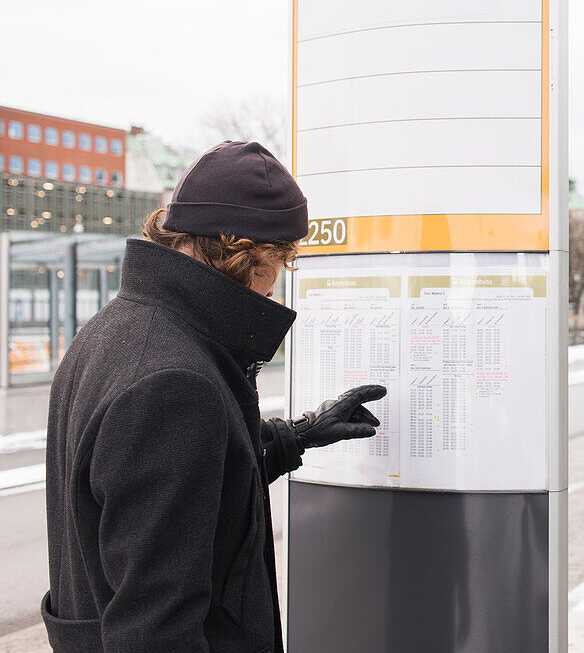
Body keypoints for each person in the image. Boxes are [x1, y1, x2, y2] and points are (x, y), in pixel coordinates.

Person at [41, 141, 384, 653]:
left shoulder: (118, 329)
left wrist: (297, 435)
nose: (275, 286)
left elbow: (188, 489)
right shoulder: (171, 382)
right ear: (248, 252)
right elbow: (155, 630)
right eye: (281, 261)